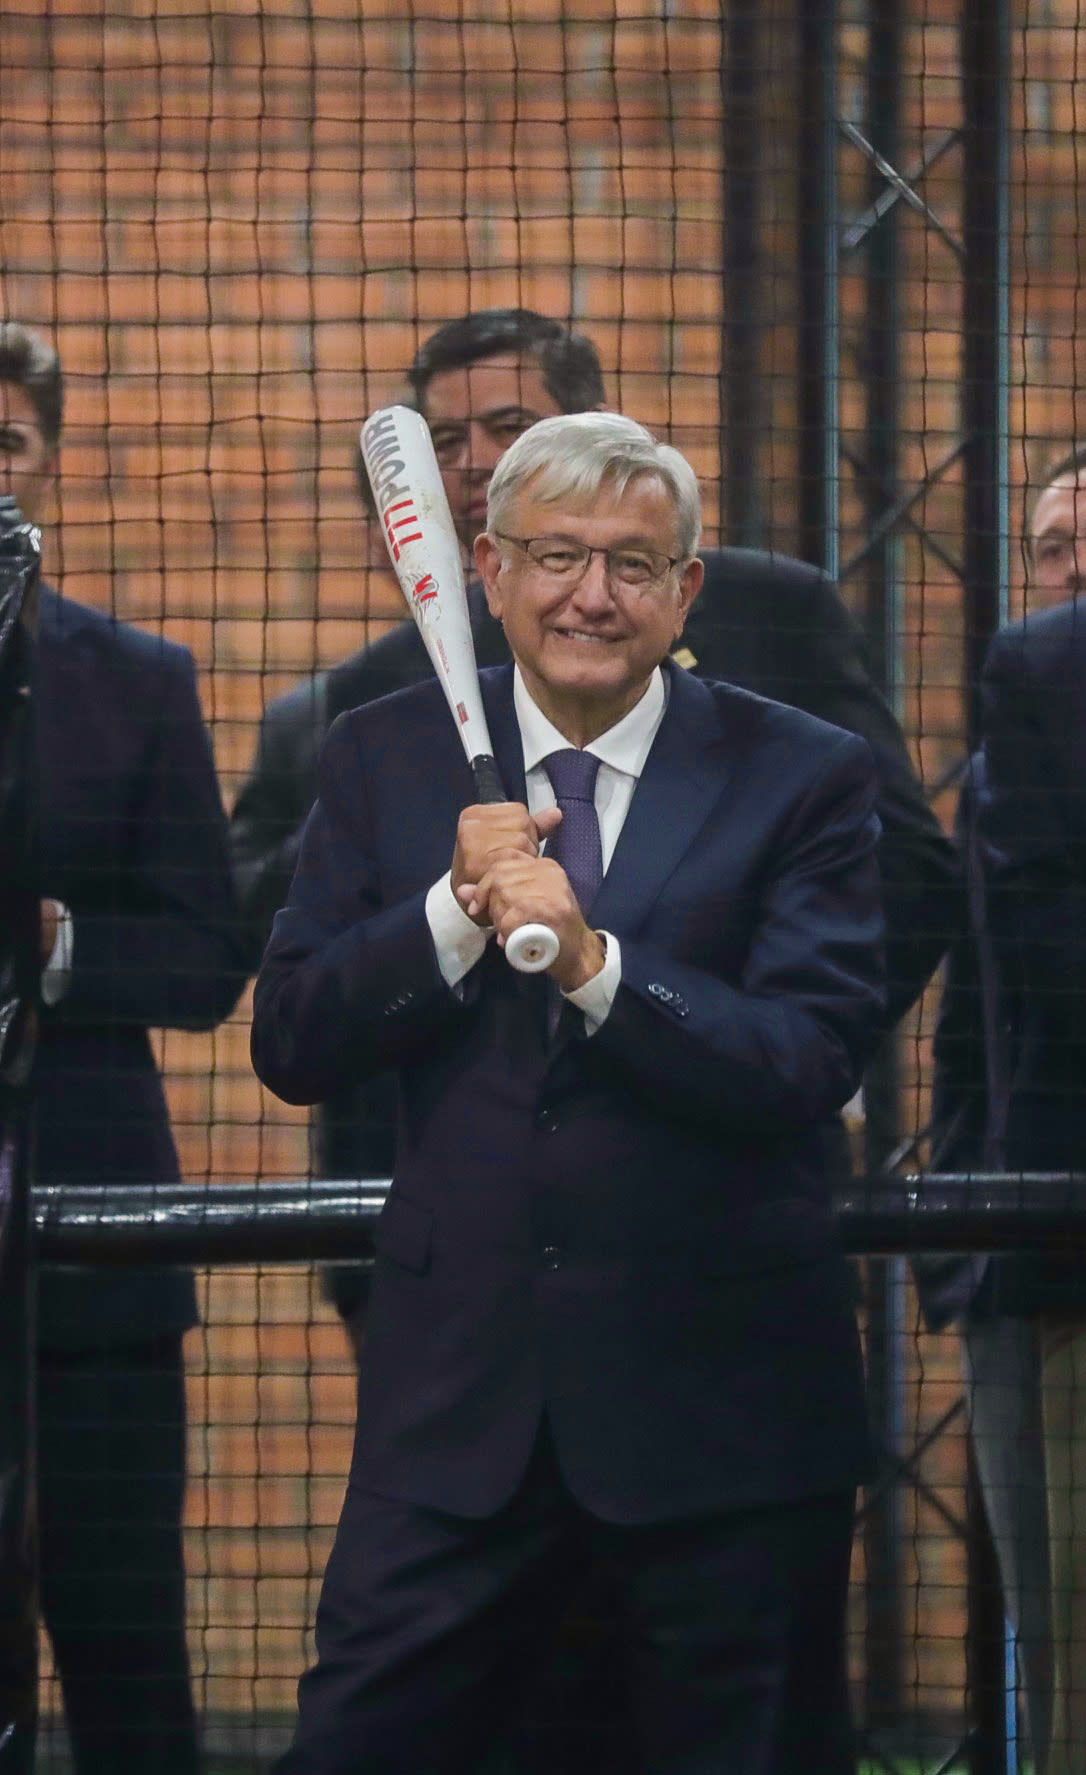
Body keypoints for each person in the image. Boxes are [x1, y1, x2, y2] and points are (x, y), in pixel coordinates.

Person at [251, 411, 887, 1774]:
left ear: (686, 590)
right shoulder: (377, 753)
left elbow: (805, 1058)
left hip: (722, 1425)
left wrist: (596, 963)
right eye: (555, 555)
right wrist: (450, 909)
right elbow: (294, 1036)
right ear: (487, 568)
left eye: (634, 564)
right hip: (457, 1415)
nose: (591, 594)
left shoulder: (804, 773)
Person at [230, 305, 956, 1346]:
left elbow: (907, 872)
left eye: (507, 423)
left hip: (724, 1238)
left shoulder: (766, 616)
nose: (474, 457)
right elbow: (289, 973)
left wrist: (773, 1048)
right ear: (491, 563)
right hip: (459, 1273)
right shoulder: (373, 706)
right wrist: (453, 906)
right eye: (446, 441)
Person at [0, 321, 245, 1773]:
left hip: (91, 1256)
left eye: (5, 447)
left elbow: (211, 957)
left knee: (121, 1639)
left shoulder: (136, 678)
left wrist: (56, 945)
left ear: (47, 466)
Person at [919, 438, 1086, 1774]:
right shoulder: (1016, 736)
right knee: (1075, 1650)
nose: (1075, 563)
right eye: (1050, 545)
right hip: (1030, 1243)